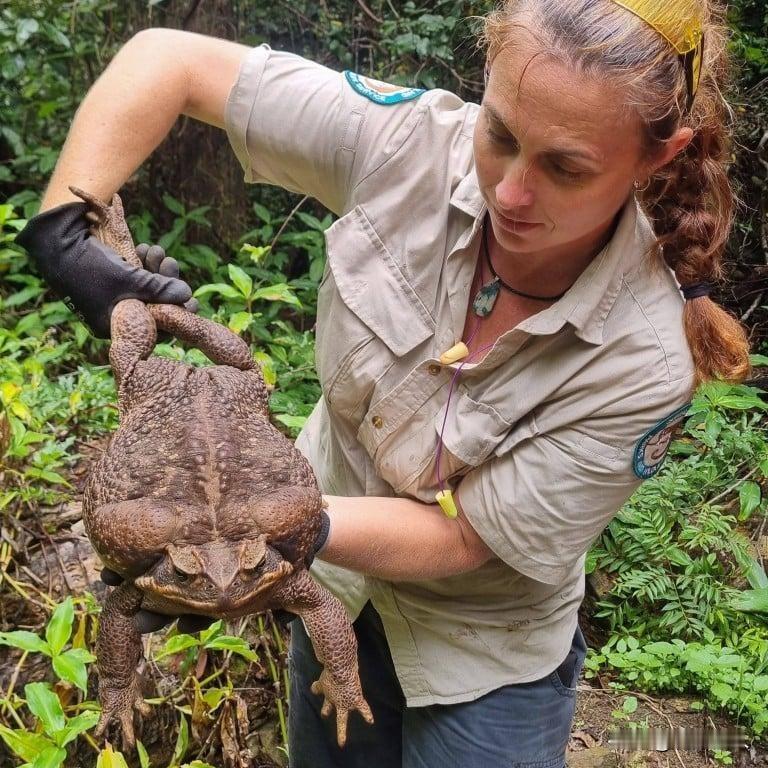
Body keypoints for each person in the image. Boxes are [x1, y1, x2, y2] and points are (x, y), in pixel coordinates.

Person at [16, 0, 751, 766]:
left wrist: (250, 535)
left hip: (482, 655)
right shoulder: (409, 146)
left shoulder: (647, 358)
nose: (509, 191)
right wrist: (66, 236)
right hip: (333, 594)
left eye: (566, 167)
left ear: (657, 158)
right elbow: (168, 60)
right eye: (499, 134)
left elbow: (466, 534)